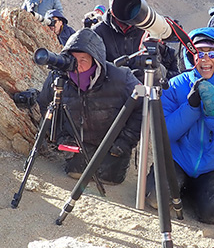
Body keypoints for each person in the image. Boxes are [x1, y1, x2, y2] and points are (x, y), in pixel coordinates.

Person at [146, 27, 214, 225]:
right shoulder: (175, 85)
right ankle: (187, 189)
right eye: (199, 53)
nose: (205, 59)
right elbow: (163, 133)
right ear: (190, 55)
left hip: (213, 166)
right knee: (156, 199)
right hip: (177, 159)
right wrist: (191, 108)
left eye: (212, 53)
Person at [37, 28, 142, 185]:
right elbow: (45, 104)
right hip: (79, 142)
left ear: (96, 59)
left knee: (109, 179)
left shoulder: (122, 78)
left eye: (83, 60)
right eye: (72, 59)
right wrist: (62, 136)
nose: (77, 65)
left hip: (113, 145)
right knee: (75, 173)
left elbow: (141, 108)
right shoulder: (58, 78)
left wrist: (125, 142)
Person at [92, 0, 179, 81]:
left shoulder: (147, 28)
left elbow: (170, 61)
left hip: (145, 85)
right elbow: (94, 67)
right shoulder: (98, 32)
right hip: (113, 90)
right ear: (112, 11)